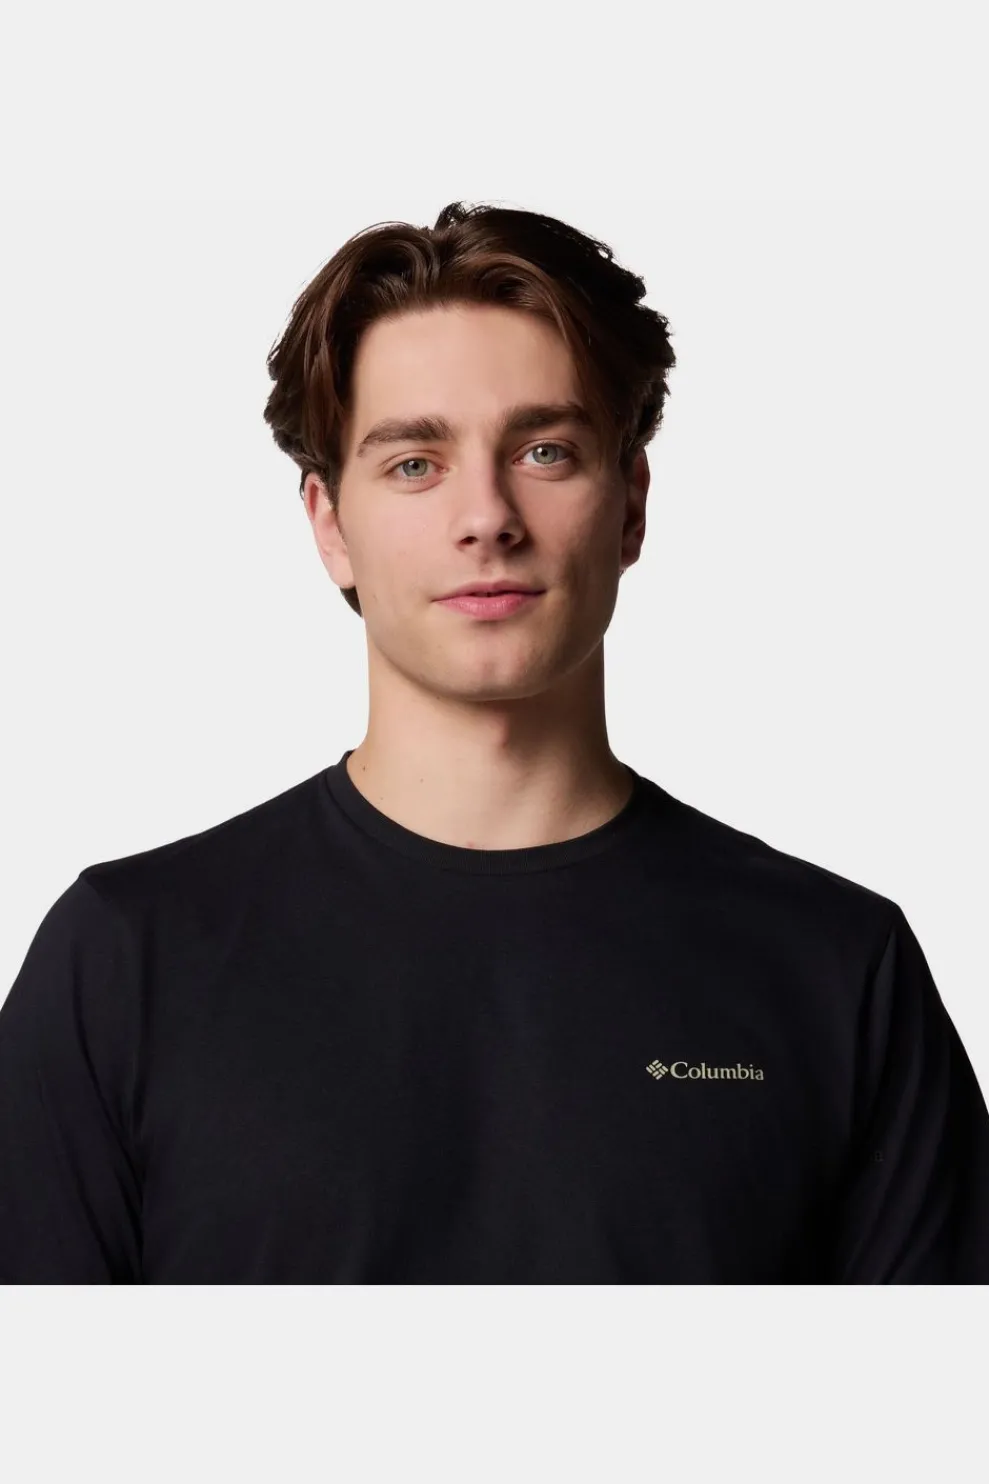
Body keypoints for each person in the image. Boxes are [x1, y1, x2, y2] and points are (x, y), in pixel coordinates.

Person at [2, 201, 987, 1284]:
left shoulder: (835, 967)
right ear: (329, 523)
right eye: (413, 463)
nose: (486, 516)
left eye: (544, 451)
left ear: (630, 505)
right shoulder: (126, 960)